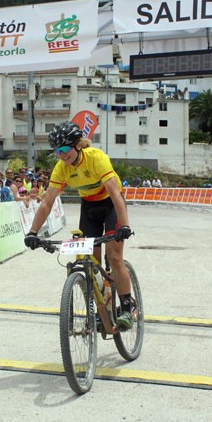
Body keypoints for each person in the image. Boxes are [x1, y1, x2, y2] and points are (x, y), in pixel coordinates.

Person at [23, 121, 134, 330]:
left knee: (114, 257)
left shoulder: (96, 157)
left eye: (65, 149)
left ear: (78, 145)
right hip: (89, 209)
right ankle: (103, 305)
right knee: (90, 260)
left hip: (111, 205)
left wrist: (125, 225)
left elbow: (115, 193)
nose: (62, 155)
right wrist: (33, 232)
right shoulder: (61, 168)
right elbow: (47, 202)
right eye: (57, 151)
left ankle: (127, 307)